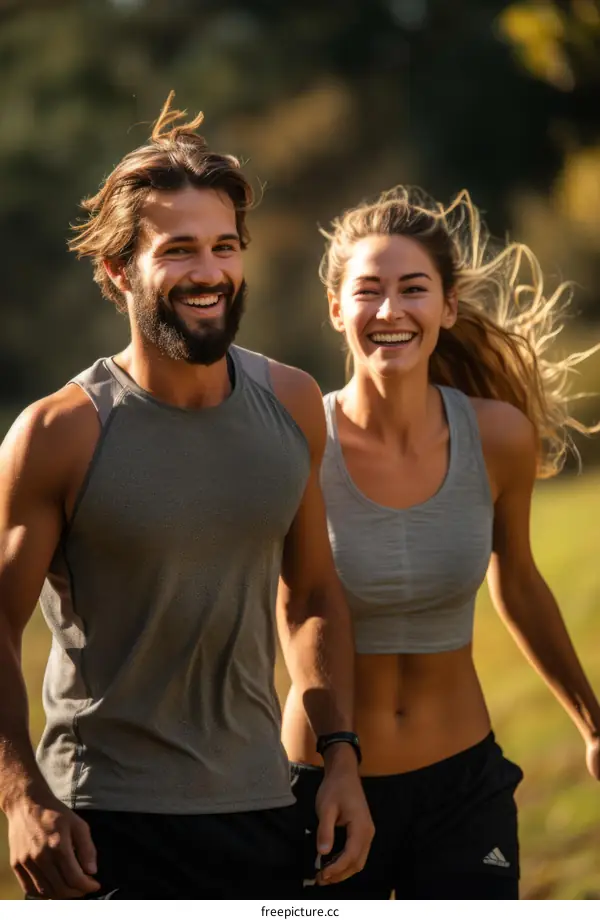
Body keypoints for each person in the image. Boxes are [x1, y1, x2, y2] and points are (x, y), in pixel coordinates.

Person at [0, 94, 374, 900]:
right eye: (178, 250)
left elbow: (312, 595)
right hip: (100, 828)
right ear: (118, 269)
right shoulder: (59, 433)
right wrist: (20, 794)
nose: (209, 272)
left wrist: (341, 757)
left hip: (264, 808)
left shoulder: (293, 403)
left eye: (224, 246)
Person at [282, 185, 600, 899]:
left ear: (448, 307)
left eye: (414, 289)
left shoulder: (500, 437)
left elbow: (518, 581)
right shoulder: (299, 442)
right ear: (336, 309)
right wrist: (337, 762)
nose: (390, 310)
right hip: (324, 785)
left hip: (462, 786)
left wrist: (593, 722)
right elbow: (293, 605)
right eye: (368, 291)